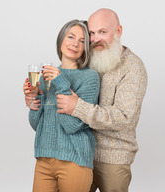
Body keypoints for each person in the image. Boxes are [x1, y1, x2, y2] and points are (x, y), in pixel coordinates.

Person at [56, 8, 148, 192]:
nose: (96, 38)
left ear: (119, 31)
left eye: (103, 32)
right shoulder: (87, 59)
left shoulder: (133, 67)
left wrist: (78, 107)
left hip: (113, 158)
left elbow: (123, 117)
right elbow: (64, 86)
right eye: (91, 32)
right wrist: (36, 98)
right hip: (80, 152)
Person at [23, 19, 100, 192]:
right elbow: (38, 125)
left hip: (75, 160)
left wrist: (61, 83)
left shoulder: (90, 78)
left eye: (82, 41)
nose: (75, 44)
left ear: (86, 47)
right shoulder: (44, 76)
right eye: (71, 37)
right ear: (61, 39)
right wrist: (34, 98)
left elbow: (72, 125)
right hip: (44, 158)